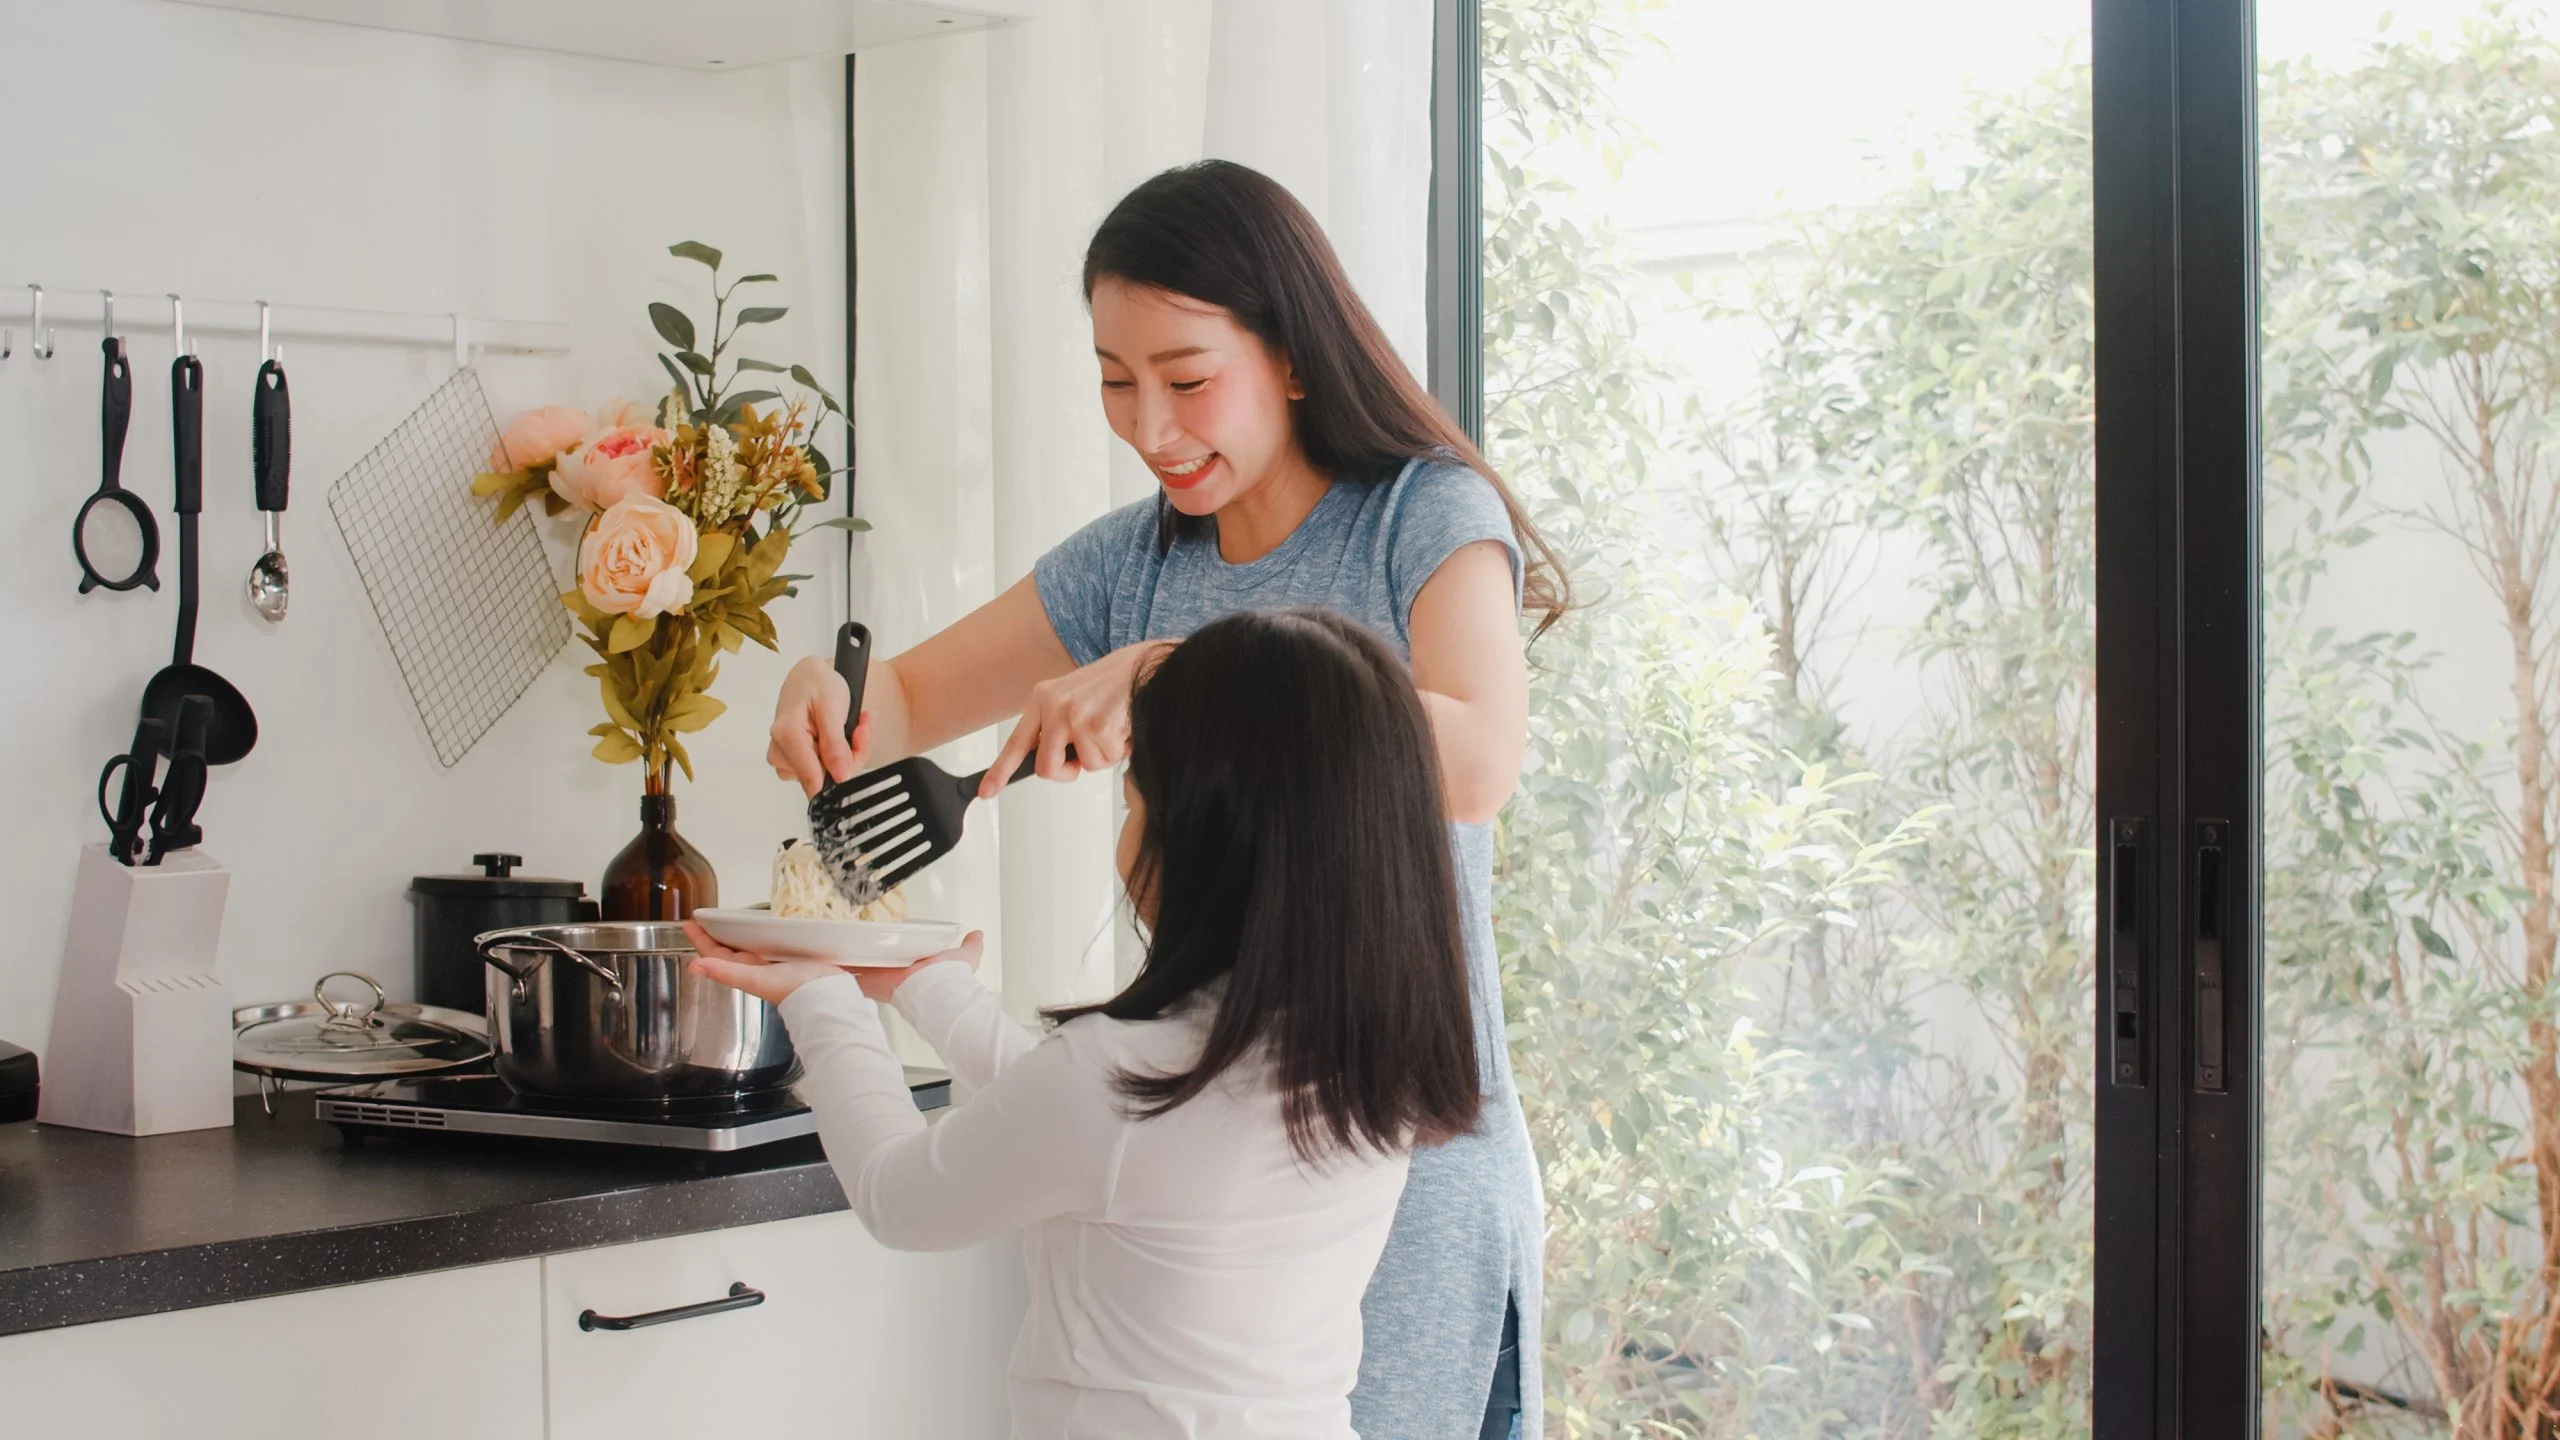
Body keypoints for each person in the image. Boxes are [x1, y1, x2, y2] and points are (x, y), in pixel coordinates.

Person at [766, 159, 1567, 1439]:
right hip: (1210, 1144)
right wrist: (829, 690)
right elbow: (903, 705)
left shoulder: (1419, 517)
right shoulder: (1133, 559)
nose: (1150, 428)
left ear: (1293, 357)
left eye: (1187, 380)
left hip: (1397, 1135)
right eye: (1113, 379)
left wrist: (1170, 668)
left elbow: (1475, 764)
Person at [692, 610, 1484, 1437]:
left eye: (1134, 805)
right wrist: (927, 989)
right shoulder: (1361, 1066)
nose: (1127, 838)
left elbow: (901, 1195)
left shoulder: (1120, 1082)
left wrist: (820, 999)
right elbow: (1093, 1125)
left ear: (1212, 841)